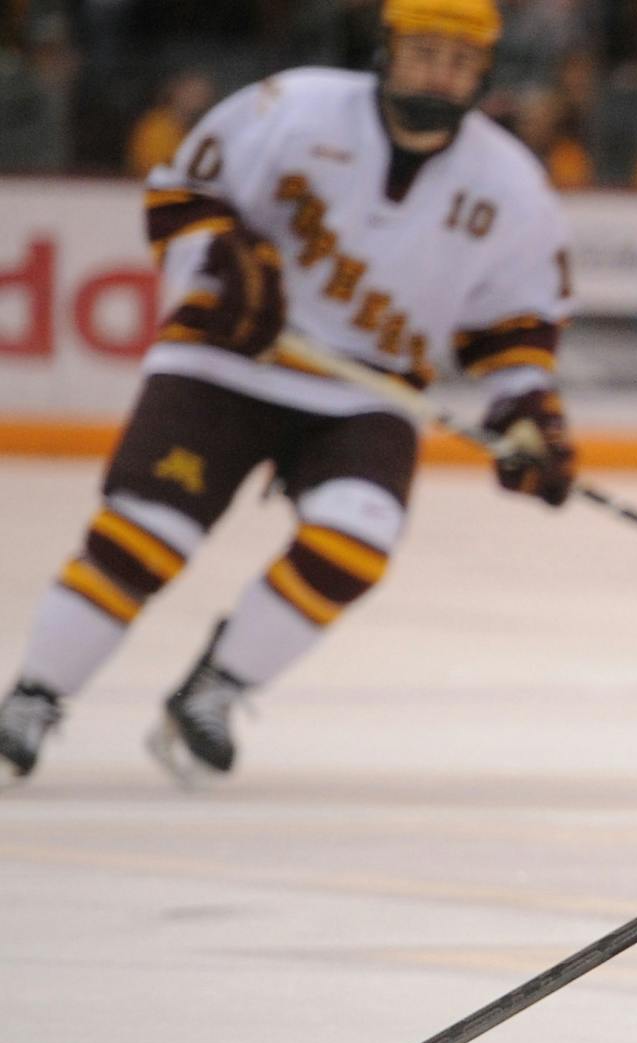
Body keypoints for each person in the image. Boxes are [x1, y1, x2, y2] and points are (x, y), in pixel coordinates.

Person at [0, 0, 577, 785]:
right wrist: (221, 261)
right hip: (226, 362)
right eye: (425, 52)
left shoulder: (512, 186)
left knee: (357, 537)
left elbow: (515, 327)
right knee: (146, 532)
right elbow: (182, 194)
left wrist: (529, 411)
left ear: (484, 72)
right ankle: (34, 697)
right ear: (388, 49)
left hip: (365, 394)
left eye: (459, 59)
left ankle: (215, 687)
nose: (439, 73)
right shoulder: (295, 108)